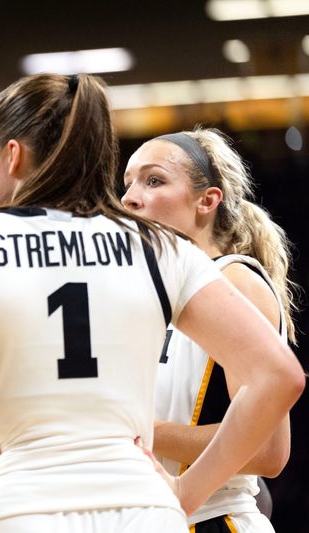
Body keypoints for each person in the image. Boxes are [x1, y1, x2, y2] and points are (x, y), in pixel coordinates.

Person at [0, 72, 304, 533]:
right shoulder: (159, 250)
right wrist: (185, 494)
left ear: (11, 156)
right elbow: (280, 375)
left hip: (17, 514)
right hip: (142, 515)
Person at [121, 127, 299, 532]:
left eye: (153, 180)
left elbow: (270, 451)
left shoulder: (236, 282)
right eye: (127, 183)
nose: (130, 197)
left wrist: (142, 431)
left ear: (207, 200)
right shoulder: (148, 295)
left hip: (213, 518)